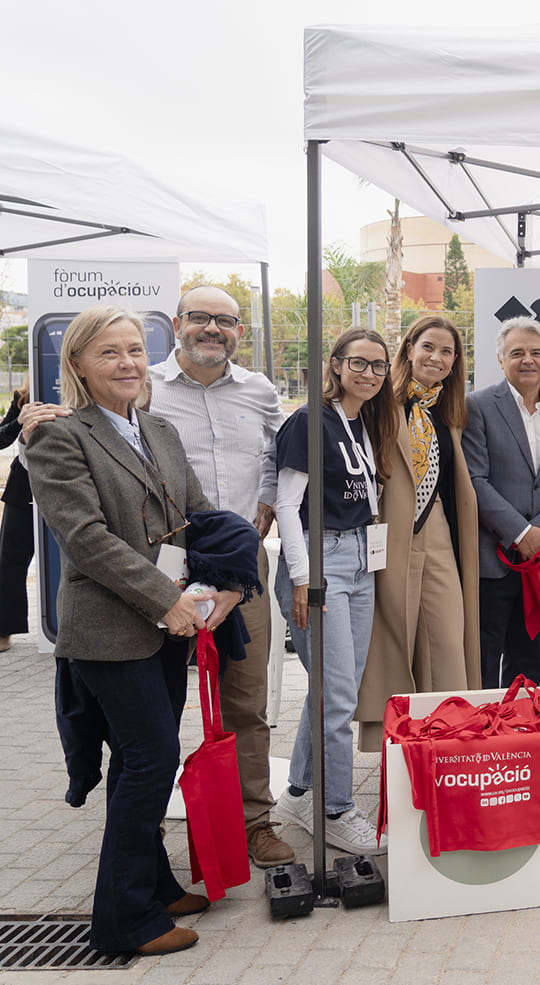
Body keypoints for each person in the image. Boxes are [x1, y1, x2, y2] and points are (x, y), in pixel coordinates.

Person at [28, 306, 239, 956]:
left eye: (132, 350)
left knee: (141, 759)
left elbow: (197, 516)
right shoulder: (61, 436)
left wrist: (233, 579)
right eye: (109, 353)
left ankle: (154, 882)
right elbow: (85, 539)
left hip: (166, 626)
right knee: (152, 759)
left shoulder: (160, 430)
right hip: (109, 630)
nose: (126, 362)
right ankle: (123, 919)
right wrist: (163, 598)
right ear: (79, 366)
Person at [147, 285, 293, 867]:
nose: (213, 329)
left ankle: (254, 820)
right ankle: (145, 825)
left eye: (226, 321)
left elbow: (284, 455)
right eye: (202, 318)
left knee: (245, 699)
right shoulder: (146, 387)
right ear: (179, 323)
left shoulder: (259, 390)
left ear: (240, 332)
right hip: (161, 564)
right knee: (152, 703)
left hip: (240, 565)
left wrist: (267, 500)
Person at [274, 327, 397, 855]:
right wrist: (303, 578)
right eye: (359, 363)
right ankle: (337, 808)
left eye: (378, 366)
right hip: (320, 559)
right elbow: (285, 506)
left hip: (359, 560)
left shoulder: (362, 419)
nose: (369, 373)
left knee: (330, 690)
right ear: (336, 363)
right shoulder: (310, 419)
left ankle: (300, 793)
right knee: (339, 697)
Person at [357, 315, 480, 748]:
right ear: (409, 348)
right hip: (389, 539)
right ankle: (395, 746)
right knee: (393, 642)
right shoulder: (378, 404)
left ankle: (450, 744)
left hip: (441, 536)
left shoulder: (448, 413)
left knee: (447, 641)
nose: (437, 357)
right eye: (428, 347)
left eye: (447, 352)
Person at [463, 316, 540, 688]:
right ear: (501, 360)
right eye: (517, 353)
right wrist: (518, 532)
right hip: (493, 557)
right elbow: (475, 480)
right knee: (485, 656)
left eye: (536, 352)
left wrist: (539, 532)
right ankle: (485, 740)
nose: (528, 360)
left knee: (529, 655)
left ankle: (522, 733)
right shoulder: (478, 406)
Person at [0, 381, 33, 652]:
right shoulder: (23, 396)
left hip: (72, 484)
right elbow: (1, 438)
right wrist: (19, 422)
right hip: (23, 488)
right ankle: (5, 630)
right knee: (10, 560)